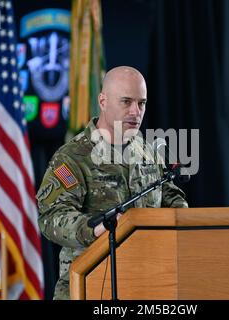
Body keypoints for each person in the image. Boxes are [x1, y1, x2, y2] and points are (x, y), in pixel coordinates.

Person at [36, 66, 188, 300]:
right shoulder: (72, 157)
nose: (136, 112)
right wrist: (96, 228)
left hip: (147, 285)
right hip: (90, 286)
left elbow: (169, 195)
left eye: (142, 103)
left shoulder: (147, 151)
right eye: (126, 102)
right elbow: (51, 217)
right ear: (103, 101)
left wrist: (184, 221)